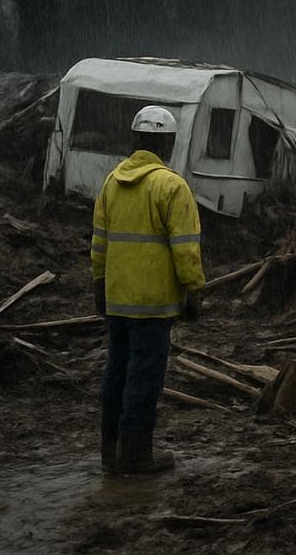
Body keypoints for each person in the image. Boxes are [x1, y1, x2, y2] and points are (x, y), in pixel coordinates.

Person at [91, 105, 205, 475]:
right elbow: (186, 247)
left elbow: (99, 243)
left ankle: (111, 452)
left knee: (117, 373)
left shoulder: (111, 182)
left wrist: (98, 284)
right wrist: (194, 290)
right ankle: (136, 454)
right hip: (154, 304)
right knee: (144, 376)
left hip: (118, 298)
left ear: (135, 140)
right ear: (167, 143)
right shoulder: (171, 186)